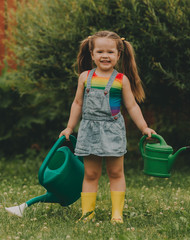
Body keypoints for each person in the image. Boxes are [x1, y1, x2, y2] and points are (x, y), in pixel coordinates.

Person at [59, 30, 156, 223]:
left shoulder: (121, 80)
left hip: (112, 131)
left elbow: (132, 106)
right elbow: (77, 104)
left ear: (119, 55)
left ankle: (117, 214)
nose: (105, 56)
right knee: (91, 173)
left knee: (116, 172)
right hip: (89, 131)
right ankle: (87, 214)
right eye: (100, 51)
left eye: (110, 52)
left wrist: (144, 127)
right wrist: (69, 127)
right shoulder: (85, 77)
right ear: (92, 54)